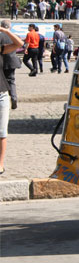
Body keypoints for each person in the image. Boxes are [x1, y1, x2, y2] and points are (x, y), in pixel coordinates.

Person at [0, 23, 24, 174]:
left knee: (2, 132)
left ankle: (0, 164)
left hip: (1, 93)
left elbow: (19, 44)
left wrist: (5, 30)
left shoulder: (0, 48)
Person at [0, 20, 21, 110]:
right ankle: (14, 98)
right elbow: (19, 44)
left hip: (3, 61)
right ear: (10, 27)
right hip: (12, 61)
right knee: (11, 81)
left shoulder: (0, 36)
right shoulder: (15, 36)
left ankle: (6, 97)